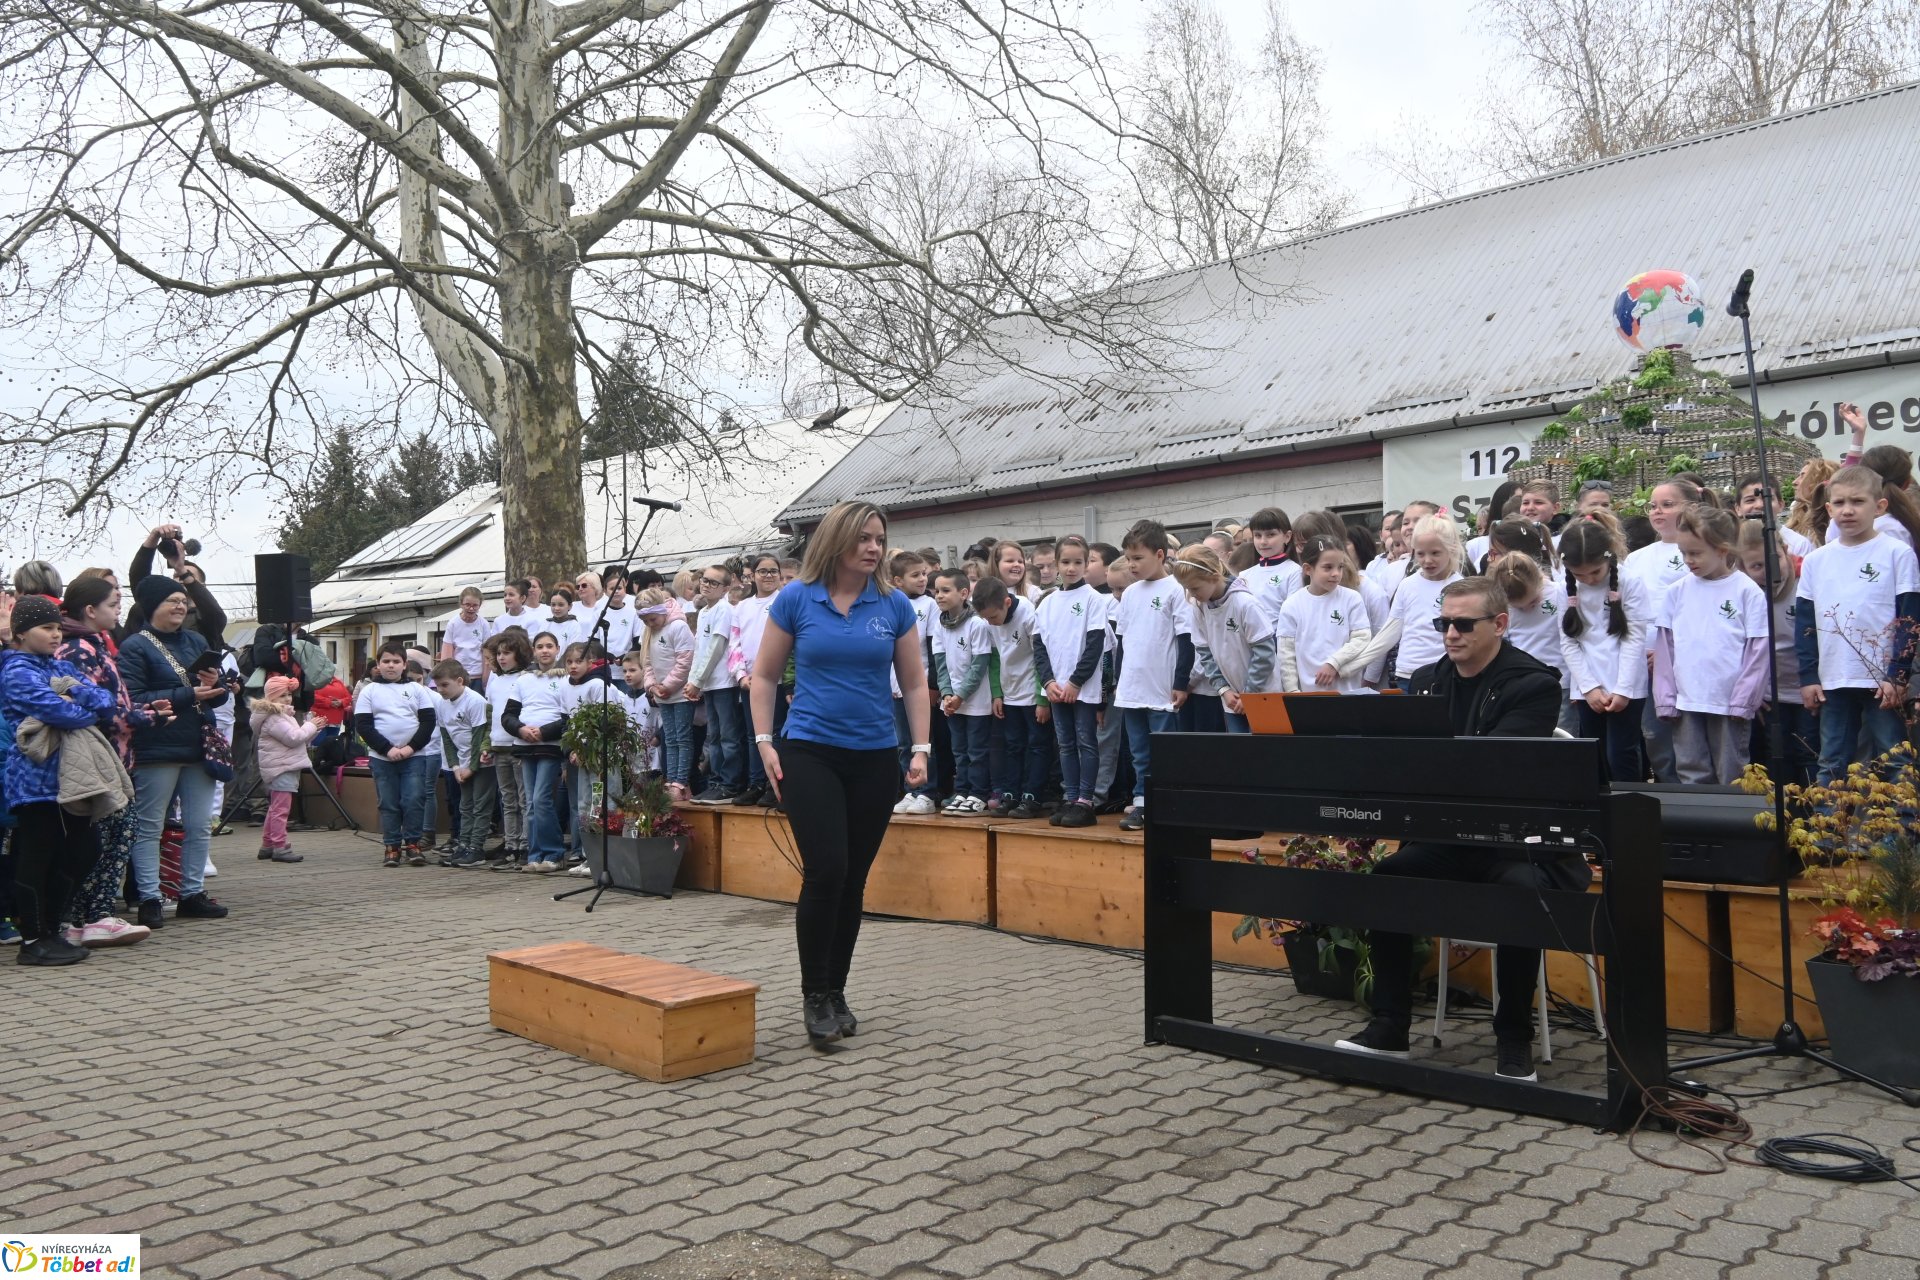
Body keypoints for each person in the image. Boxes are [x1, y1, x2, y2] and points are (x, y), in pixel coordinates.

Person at [1336, 576, 1577, 1083]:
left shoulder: (1534, 682)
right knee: (1389, 879)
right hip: (1449, 837)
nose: (1451, 634)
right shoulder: (1425, 681)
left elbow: (1493, 770)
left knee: (1518, 893)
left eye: (1463, 624)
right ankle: (1389, 1026)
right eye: (1443, 623)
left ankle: (1513, 1036)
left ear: (1501, 624)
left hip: (1517, 843)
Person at [749, 500, 931, 1047]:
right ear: (837, 540)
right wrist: (764, 742)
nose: (874, 548)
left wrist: (919, 748)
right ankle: (814, 992)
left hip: (875, 756)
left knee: (853, 879)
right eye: (864, 539)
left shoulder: (894, 604)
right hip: (809, 752)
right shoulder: (796, 599)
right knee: (826, 869)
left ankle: (837, 991)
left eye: (879, 538)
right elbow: (764, 677)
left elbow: (916, 684)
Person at [2, 595, 120, 966]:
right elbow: (60, 711)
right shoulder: (15, 671)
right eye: (46, 628)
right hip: (34, 781)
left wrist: (76, 698)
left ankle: (53, 929)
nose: (55, 635)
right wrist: (74, 701)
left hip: (72, 778)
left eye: (57, 627)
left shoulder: (56, 668)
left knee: (83, 849)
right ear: (20, 633)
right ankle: (34, 938)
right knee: (38, 855)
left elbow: (106, 701)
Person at [1795, 466, 1920, 782]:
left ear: (1879, 506)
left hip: (1883, 680)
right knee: (1832, 762)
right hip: (1835, 678)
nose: (1847, 510)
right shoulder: (1816, 561)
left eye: (1857, 501)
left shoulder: (1897, 553)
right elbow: (1806, 624)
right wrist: (1809, 675)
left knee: (1895, 762)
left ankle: (1900, 830)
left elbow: (1909, 618)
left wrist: (1898, 674)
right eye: (1839, 503)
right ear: (1828, 508)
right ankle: (1830, 830)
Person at [120, 574, 231, 927]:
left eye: (183, 600)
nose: (181, 606)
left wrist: (218, 687)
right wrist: (189, 695)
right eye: (173, 600)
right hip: (158, 747)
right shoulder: (135, 646)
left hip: (198, 745)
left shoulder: (197, 640)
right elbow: (134, 699)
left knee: (199, 825)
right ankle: (150, 898)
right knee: (150, 826)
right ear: (152, 606)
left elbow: (220, 692)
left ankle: (192, 893)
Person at [56, 577, 157, 947]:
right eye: (114, 603)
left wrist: (142, 711)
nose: (118, 610)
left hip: (116, 758)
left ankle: (91, 915)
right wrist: (141, 718)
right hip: (98, 762)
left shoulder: (95, 645)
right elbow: (87, 706)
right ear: (90, 610)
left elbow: (113, 701)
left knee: (117, 835)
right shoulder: (77, 650)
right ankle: (91, 915)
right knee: (107, 838)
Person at [1652, 505, 1771, 785]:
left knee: (1732, 772)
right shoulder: (1676, 592)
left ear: (1722, 549)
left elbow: (1758, 652)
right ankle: (1697, 829)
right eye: (1683, 553)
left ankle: (1734, 828)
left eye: (1695, 553)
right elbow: (1665, 650)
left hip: (1728, 703)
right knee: (1691, 771)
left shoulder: (1746, 591)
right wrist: (1666, 698)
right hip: (1687, 700)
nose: (1688, 560)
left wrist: (1744, 700)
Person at [1557, 515, 1650, 783]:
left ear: (1608, 557)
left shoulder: (1630, 581)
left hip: (1626, 686)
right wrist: (1588, 687)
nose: (1588, 579)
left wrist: (1622, 690)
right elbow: (1569, 641)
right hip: (1589, 688)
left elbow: (1633, 638)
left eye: (1595, 572)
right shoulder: (1566, 589)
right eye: (1579, 574)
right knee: (1594, 755)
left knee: (1621, 754)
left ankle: (1629, 808)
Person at [1112, 520, 1188, 833]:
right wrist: (1118, 682)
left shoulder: (1176, 590)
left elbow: (1185, 639)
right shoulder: (1129, 593)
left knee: (1163, 748)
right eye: (1128, 558)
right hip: (1132, 687)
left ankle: (1166, 801)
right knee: (1139, 750)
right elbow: (1121, 640)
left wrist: (1180, 682)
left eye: (1138, 558)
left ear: (1160, 554)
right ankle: (1142, 802)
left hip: (1162, 688)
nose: (1131, 564)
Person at [1623, 477, 1700, 782]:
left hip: (1683, 660)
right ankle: (1669, 794)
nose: (1657, 512)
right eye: (1653, 506)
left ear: (1690, 507)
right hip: (1644, 661)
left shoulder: (1694, 552)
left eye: (1668, 505)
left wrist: (1669, 652)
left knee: (1689, 734)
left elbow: (1694, 609)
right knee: (1654, 734)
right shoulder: (1635, 558)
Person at [1035, 536, 1109, 826]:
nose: (1071, 568)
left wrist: (1076, 682)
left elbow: (1095, 644)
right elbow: (1039, 647)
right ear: (1056, 565)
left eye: (1078, 562)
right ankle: (1071, 797)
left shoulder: (1093, 598)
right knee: (1065, 744)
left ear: (1086, 563)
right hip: (1056, 687)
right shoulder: (1048, 602)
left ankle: (1086, 801)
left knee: (1085, 741)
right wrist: (1048, 682)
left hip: (1082, 687)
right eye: (1065, 562)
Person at [1737, 519, 1815, 786]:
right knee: (1777, 754)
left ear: (1785, 550)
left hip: (1808, 688)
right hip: (1771, 694)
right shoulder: (1744, 592)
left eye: (1774, 559)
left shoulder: (1807, 580)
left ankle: (1814, 817)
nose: (1767, 570)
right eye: (1756, 566)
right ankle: (1784, 816)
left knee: (1808, 752)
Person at [1170, 544, 1278, 728]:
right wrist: (1224, 690)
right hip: (1232, 700)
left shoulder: (1245, 603)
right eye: (1186, 589)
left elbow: (1265, 653)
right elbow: (1205, 653)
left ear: (1213, 577)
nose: (1190, 595)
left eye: (1195, 588)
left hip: (1262, 696)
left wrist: (1249, 694)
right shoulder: (1199, 607)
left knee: (1266, 753)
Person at [354, 640, 439, 867]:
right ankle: (392, 846)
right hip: (382, 758)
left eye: (396, 661)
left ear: (404, 665)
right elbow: (363, 725)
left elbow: (428, 722)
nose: (390, 666)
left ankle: (413, 845)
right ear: (378, 665)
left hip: (415, 757)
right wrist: (388, 749)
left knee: (413, 800)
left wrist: (411, 748)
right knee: (388, 803)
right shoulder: (369, 691)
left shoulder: (416, 690)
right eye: (386, 661)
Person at [971, 576, 1048, 818]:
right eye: (985, 618)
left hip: (1032, 694)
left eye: (993, 617)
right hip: (1009, 693)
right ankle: (1011, 794)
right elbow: (995, 658)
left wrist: (1042, 698)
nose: (990, 623)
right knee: (1013, 746)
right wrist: (997, 693)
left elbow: (1041, 656)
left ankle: (1032, 796)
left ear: (1006, 602)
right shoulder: (989, 621)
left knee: (1037, 746)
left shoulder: (1028, 613)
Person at [1360, 514, 1464, 692]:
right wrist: (1353, 664)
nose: (1427, 560)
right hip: (1408, 674)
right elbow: (1390, 632)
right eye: (1421, 554)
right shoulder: (1407, 585)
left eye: (1435, 553)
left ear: (1452, 549)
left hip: (1447, 673)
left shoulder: (1460, 585)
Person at [501, 630, 571, 870]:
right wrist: (520, 730)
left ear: (557, 649)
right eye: (540, 646)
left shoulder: (565, 680)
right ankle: (535, 855)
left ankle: (554, 854)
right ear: (533, 651)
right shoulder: (523, 680)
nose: (544, 650)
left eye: (549, 646)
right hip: (525, 746)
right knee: (530, 802)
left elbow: (568, 718)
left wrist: (544, 732)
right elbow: (508, 715)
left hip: (549, 747)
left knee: (541, 799)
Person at [930, 567, 996, 815]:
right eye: (936, 590)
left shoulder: (977, 624)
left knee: (976, 750)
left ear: (964, 593)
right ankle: (962, 791)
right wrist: (947, 694)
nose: (939, 595)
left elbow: (979, 666)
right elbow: (941, 663)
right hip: (952, 703)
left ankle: (978, 793)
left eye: (946, 590)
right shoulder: (940, 625)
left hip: (975, 702)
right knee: (959, 749)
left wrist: (961, 696)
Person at [1275, 535, 1372, 695]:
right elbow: (1286, 654)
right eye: (1328, 567)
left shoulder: (1352, 598)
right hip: (1309, 698)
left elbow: (1362, 638)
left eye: (1340, 567)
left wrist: (1334, 663)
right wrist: (1292, 691)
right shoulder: (1292, 605)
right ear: (1308, 569)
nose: (1336, 573)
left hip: (1348, 694)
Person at [1488, 552, 1573, 733]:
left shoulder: (1559, 593)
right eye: (1519, 607)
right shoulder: (1503, 609)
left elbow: (1572, 639)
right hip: (1523, 683)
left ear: (1539, 578)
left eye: (1534, 601)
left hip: (1562, 682)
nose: (1527, 608)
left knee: (1562, 737)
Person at [885, 552, 941, 816]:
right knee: (903, 742)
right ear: (897, 581)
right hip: (894, 687)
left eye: (924, 573)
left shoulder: (929, 605)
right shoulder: (891, 604)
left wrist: (932, 685)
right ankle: (911, 789)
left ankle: (928, 792)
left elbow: (932, 647)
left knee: (924, 742)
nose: (922, 579)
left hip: (919, 685)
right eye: (915, 575)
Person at [729, 553, 784, 806]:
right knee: (754, 736)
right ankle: (757, 783)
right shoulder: (742, 607)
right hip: (751, 681)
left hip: (778, 680)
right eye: (763, 571)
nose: (769, 576)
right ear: (754, 575)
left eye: (773, 571)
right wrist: (741, 675)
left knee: (777, 733)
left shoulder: (784, 601)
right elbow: (735, 643)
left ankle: (779, 786)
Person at [688, 565, 744, 804]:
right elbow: (699, 649)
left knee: (728, 735)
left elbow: (717, 647)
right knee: (715, 735)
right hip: (709, 683)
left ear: (725, 588)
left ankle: (730, 783)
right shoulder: (703, 613)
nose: (706, 585)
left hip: (723, 681)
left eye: (713, 583)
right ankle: (717, 780)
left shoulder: (724, 610)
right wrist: (694, 680)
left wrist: (697, 680)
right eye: (704, 580)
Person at [249, 675, 319, 863]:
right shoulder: (275, 718)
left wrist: (313, 729)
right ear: (271, 697)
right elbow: (293, 738)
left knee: (274, 809)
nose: (287, 698)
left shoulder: (281, 715)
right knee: (281, 810)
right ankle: (280, 846)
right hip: (282, 766)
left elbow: (296, 738)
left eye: (289, 694)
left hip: (282, 765)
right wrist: (311, 726)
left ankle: (268, 845)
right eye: (282, 695)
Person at [430, 661, 493, 866]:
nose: (440, 690)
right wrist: (456, 766)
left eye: (444, 685)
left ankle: (477, 848)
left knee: (480, 806)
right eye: (437, 686)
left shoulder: (474, 701)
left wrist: (471, 768)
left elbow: (479, 736)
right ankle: (463, 845)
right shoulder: (441, 703)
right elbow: (446, 737)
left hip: (481, 764)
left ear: (459, 681)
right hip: (462, 765)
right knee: (465, 806)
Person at [636, 590, 695, 799]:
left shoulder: (678, 627)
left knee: (682, 737)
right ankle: (670, 778)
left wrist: (668, 685)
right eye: (645, 621)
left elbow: (685, 660)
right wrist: (652, 685)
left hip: (681, 693)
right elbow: (648, 662)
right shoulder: (650, 632)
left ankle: (681, 781)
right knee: (669, 738)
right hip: (663, 693)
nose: (650, 624)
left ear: (662, 611)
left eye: (652, 619)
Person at [482, 631, 532, 868]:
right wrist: (487, 745)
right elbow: (490, 715)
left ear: (519, 654)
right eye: (499, 653)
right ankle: (510, 844)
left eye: (507, 653)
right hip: (499, 746)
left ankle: (525, 845)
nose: (501, 658)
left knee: (524, 799)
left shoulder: (525, 678)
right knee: (508, 800)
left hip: (518, 746)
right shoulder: (495, 681)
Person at [1238, 506, 1300, 629]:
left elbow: (1293, 615)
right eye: (1257, 535)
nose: (1263, 542)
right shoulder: (1244, 575)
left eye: (1270, 535)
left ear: (1287, 536)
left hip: (1279, 639)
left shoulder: (1294, 572)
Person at [1734, 473, 1813, 560]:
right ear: (1738, 509)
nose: (1759, 505)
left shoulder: (1799, 544)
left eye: (1767, 498)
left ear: (1780, 505)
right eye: (1750, 500)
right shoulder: (1731, 546)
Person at [439, 587, 491, 682]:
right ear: (461, 604)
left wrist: (486, 678)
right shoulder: (453, 623)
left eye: (475, 605)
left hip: (478, 676)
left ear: (479, 606)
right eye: (467, 605)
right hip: (458, 676)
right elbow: (446, 655)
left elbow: (487, 653)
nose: (471, 608)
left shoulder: (484, 624)